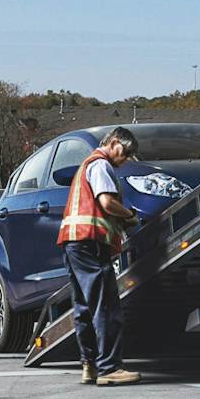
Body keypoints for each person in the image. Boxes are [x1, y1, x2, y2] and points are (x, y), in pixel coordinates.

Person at [57, 127, 142, 385]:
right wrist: (129, 215)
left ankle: (89, 365)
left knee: (83, 306)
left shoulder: (86, 166)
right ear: (113, 142)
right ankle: (110, 368)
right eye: (125, 153)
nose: (125, 159)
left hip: (73, 243)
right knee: (105, 306)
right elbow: (106, 203)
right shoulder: (100, 165)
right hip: (91, 242)